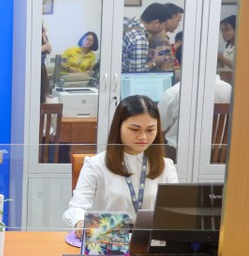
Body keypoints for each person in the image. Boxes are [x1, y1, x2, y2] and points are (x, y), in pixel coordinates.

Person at [63, 95, 178, 233]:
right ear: (119, 127)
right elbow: (77, 207)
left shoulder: (166, 167)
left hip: (148, 242)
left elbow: (173, 212)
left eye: (150, 130)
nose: (143, 137)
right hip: (107, 240)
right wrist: (80, 222)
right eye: (134, 129)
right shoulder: (95, 165)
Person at [159, 45, 232, 153]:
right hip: (220, 154)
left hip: (178, 155)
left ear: (179, 63)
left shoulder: (173, 93)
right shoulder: (228, 89)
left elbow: (159, 128)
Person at [122, 3, 173, 73]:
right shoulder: (140, 39)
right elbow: (137, 74)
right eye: (164, 25)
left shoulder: (125, 21)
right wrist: (154, 62)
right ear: (156, 23)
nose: (163, 29)